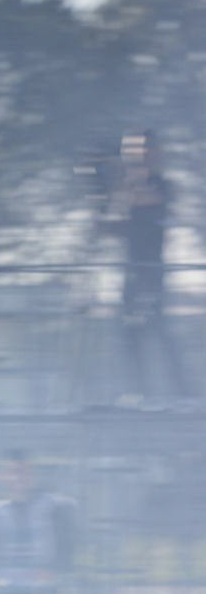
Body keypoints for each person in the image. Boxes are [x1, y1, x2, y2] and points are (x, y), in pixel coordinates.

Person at [106, 130, 191, 406]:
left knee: (159, 329)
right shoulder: (125, 187)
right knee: (130, 332)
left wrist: (126, 187)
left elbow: (151, 204)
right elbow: (117, 226)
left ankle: (183, 393)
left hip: (152, 269)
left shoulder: (160, 185)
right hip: (131, 269)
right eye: (132, 148)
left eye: (143, 148)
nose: (137, 154)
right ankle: (139, 392)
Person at [0, 449, 75, 594]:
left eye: (23, 472)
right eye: (10, 472)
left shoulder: (56, 507)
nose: (16, 478)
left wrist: (56, 572)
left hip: (47, 593)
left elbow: (67, 552)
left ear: (33, 474)